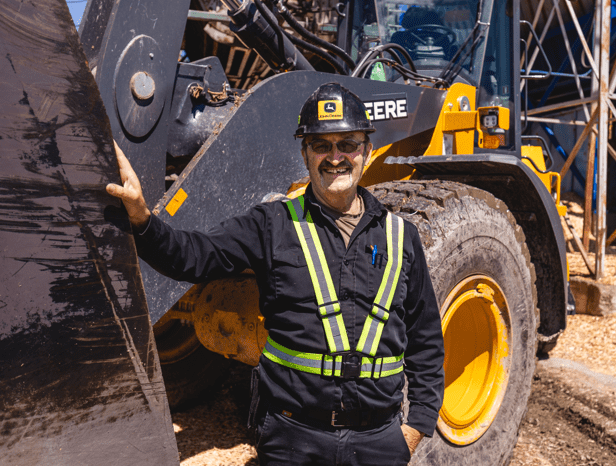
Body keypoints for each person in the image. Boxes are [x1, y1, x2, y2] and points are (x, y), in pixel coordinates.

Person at [107, 82, 444, 465]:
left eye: (347, 144)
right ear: (305, 154)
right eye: (321, 145)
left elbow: (427, 341)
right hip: (293, 439)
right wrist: (142, 218)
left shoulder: (401, 238)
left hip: (378, 442)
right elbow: (193, 257)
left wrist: (416, 427)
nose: (335, 157)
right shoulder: (271, 225)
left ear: (366, 150)